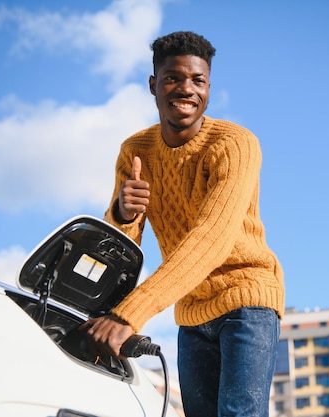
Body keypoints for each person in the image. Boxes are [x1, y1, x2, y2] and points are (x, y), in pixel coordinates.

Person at [81, 31, 285, 417]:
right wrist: (123, 214)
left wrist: (128, 314)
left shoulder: (234, 144)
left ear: (208, 87)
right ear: (154, 85)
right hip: (191, 310)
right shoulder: (136, 151)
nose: (186, 89)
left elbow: (212, 239)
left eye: (198, 80)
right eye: (174, 78)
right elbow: (122, 249)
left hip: (247, 300)